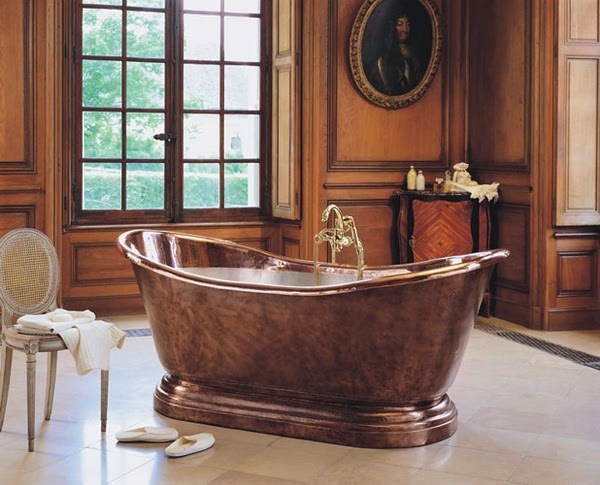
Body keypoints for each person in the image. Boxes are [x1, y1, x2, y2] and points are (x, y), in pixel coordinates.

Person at [368, 4, 425, 96]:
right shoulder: (383, 61)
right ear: (392, 27)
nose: (405, 29)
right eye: (400, 24)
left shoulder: (414, 55)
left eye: (408, 24)